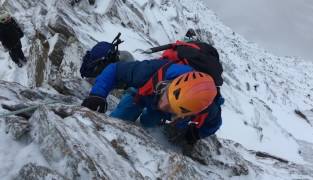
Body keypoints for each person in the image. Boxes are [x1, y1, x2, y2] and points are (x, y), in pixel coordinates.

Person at [81, 57, 224, 146]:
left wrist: (196, 134)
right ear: (166, 84)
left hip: (158, 103)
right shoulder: (150, 71)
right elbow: (115, 69)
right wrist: (98, 94)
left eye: (171, 108)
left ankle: (152, 116)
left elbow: (214, 123)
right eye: (166, 97)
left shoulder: (205, 107)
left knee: (149, 122)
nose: (163, 105)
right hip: (144, 94)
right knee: (121, 116)